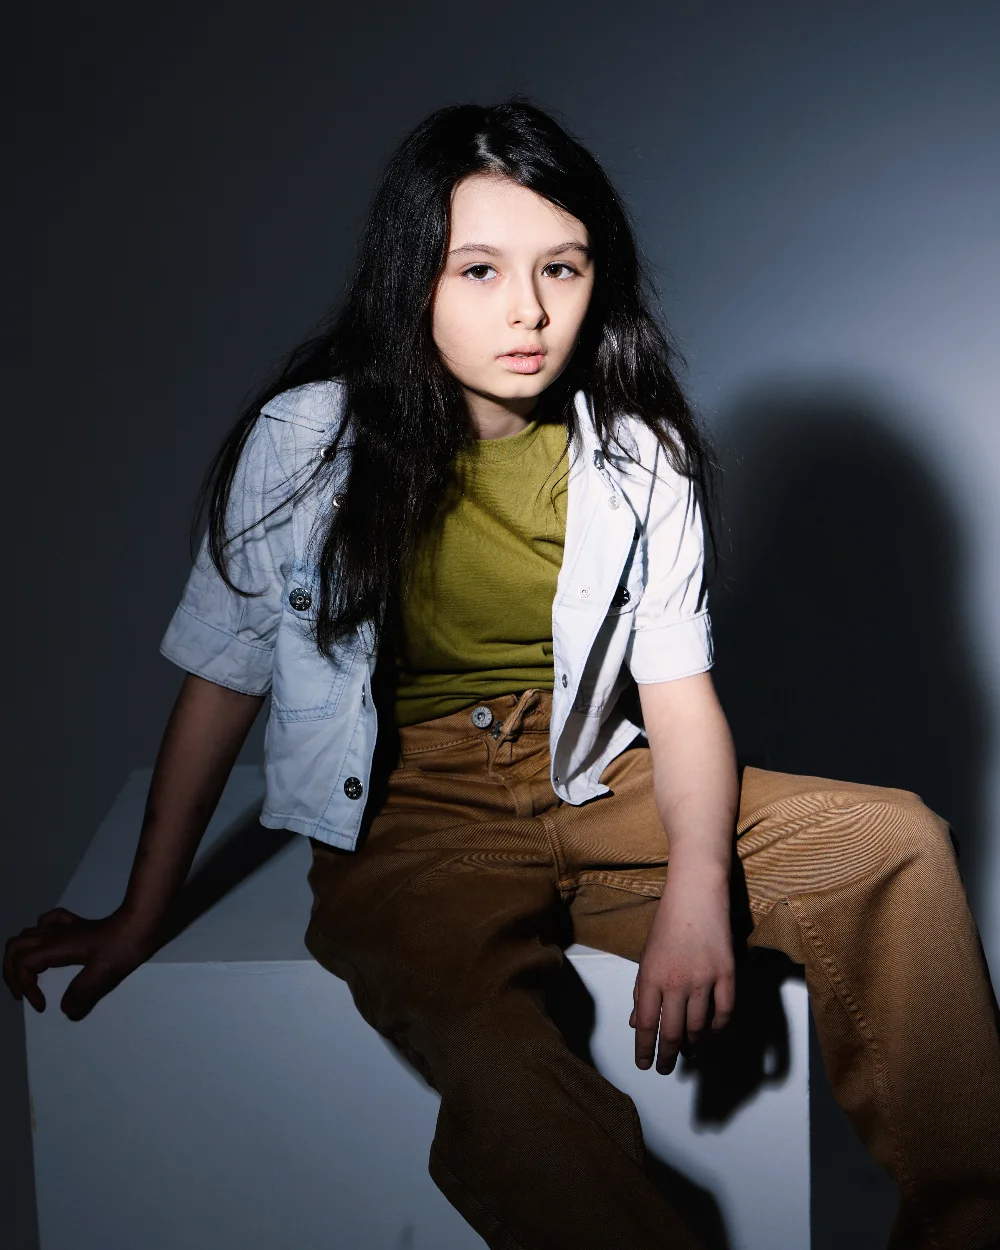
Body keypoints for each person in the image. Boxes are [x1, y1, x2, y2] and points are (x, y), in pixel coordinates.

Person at [5, 100, 1000, 1250]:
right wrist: (142, 911)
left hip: (588, 775)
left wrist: (694, 885)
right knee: (499, 1064)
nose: (526, 309)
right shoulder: (308, 439)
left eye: (559, 267)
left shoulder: (640, 454)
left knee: (895, 845)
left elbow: (677, 695)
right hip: (407, 810)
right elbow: (222, 678)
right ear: (412, 277)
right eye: (478, 269)